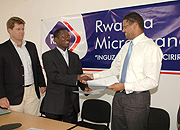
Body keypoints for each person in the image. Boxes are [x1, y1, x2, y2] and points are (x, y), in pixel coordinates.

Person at [81, 12, 163, 130]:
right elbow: (115, 69)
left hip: (137, 99)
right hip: (119, 98)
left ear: (135, 25)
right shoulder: (126, 46)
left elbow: (152, 81)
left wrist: (125, 86)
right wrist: (93, 76)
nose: (123, 31)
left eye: (125, 27)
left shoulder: (151, 48)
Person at [42, 28, 91, 124]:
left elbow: (79, 75)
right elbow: (54, 76)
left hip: (72, 105)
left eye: (68, 36)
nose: (67, 39)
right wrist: (76, 78)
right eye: (63, 36)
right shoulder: (47, 56)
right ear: (55, 39)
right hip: (55, 104)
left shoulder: (75, 56)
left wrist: (85, 87)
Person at [0, 17, 46, 116]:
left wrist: (42, 84)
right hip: (13, 94)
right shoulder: (2, 49)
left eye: (22, 29)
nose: (21, 32)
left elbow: (37, 66)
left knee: (33, 122)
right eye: (18, 29)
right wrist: (1, 96)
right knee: (16, 123)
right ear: (9, 30)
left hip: (32, 92)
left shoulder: (31, 46)